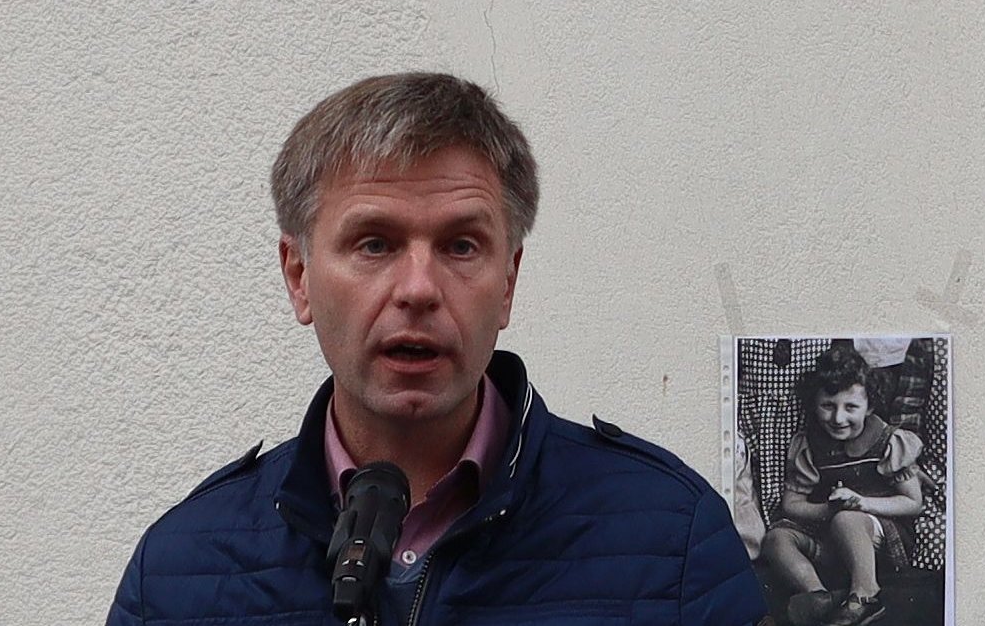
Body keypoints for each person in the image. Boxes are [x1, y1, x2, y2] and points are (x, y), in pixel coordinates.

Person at [108, 72, 766, 625]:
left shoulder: (671, 540)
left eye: (460, 246)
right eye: (374, 244)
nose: (418, 290)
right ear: (299, 276)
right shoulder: (181, 571)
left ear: (507, 281)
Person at [756, 343, 932, 626]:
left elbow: (913, 502)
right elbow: (791, 504)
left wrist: (861, 504)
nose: (838, 418)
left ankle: (865, 594)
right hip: (832, 540)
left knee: (848, 520)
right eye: (827, 405)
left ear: (869, 405)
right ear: (814, 403)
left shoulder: (887, 440)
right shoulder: (810, 443)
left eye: (851, 407)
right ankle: (819, 597)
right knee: (776, 539)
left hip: (881, 541)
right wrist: (829, 509)